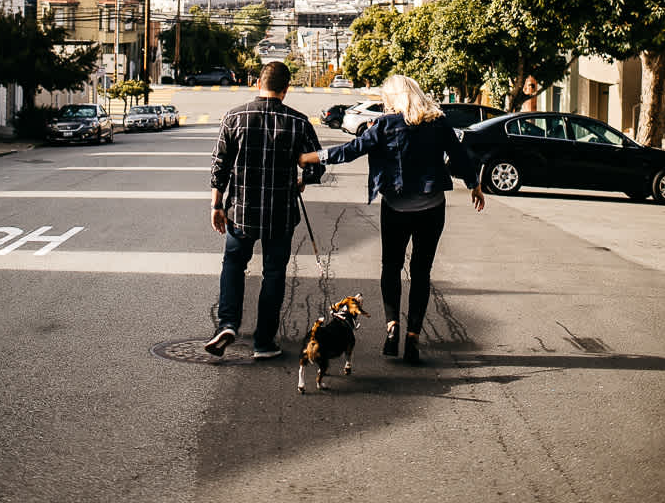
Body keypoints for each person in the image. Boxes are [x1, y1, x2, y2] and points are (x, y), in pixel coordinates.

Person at [299, 73, 484, 365]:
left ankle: (391, 327)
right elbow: (460, 157)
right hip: (431, 208)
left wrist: (313, 157)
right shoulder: (438, 123)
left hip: (395, 208)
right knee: (421, 271)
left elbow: (350, 151)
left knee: (391, 266)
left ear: (393, 98)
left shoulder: (384, 125)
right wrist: (474, 184)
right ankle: (413, 336)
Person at [206, 60, 324, 360]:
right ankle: (263, 342)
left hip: (241, 212)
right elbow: (316, 164)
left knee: (233, 265)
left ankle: (228, 323)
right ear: (286, 89)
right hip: (281, 214)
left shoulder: (234, 117)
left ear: (259, 83)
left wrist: (216, 204)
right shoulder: (299, 122)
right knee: (273, 274)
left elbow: (220, 166)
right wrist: (302, 180)